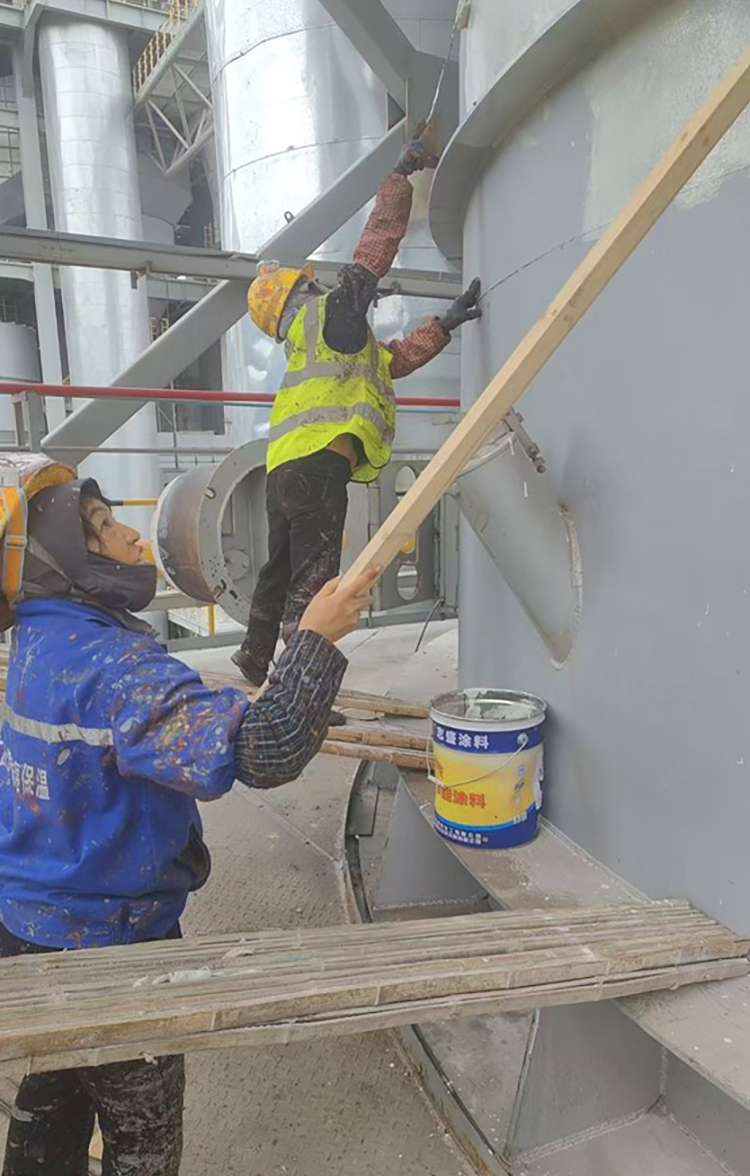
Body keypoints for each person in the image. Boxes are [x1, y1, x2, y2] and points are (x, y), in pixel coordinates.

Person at [0, 466, 377, 1176]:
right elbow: (267, 746)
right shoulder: (118, 670)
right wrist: (317, 640)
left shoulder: (37, 641)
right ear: (63, 563)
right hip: (112, 949)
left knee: (54, 1088)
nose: (132, 537)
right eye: (103, 529)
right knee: (140, 1139)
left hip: (24, 927)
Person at [232, 129, 481, 689]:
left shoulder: (320, 344)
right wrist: (400, 176)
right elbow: (373, 251)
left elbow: (392, 361)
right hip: (320, 468)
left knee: (278, 570)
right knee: (316, 585)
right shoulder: (332, 318)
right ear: (299, 294)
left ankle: (254, 655)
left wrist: (447, 323)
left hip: (281, 468)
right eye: (309, 285)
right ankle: (301, 684)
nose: (319, 286)